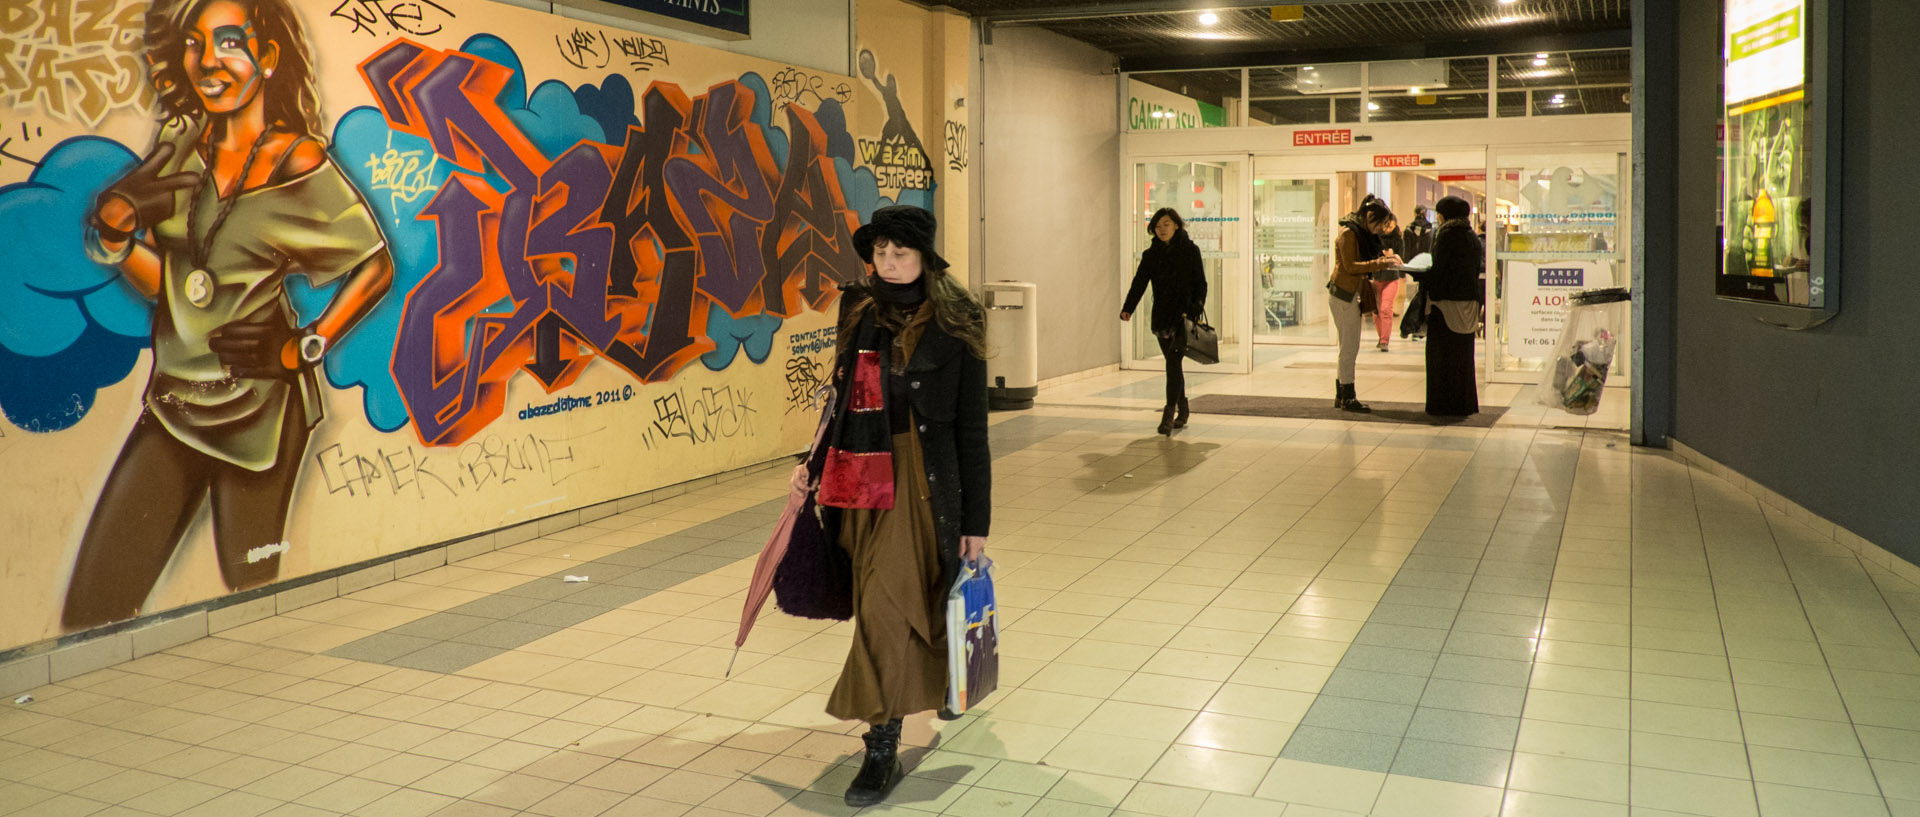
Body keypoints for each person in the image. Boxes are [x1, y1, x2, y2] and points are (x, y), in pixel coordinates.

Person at [64, 0, 392, 629]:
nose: (208, 60)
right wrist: (114, 236)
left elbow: (374, 265)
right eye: (194, 42)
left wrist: (307, 347)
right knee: (94, 603)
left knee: (252, 594)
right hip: (175, 406)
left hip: (262, 416)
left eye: (230, 42)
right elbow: (172, 287)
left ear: (267, 59)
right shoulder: (179, 151)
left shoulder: (299, 166)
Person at [816, 205, 991, 808]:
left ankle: (881, 744)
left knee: (891, 606)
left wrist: (976, 524)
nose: (888, 264)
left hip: (921, 481)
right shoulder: (858, 309)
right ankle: (923, 692)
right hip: (858, 478)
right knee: (878, 601)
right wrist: (808, 468)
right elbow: (838, 401)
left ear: (925, 257)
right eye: (881, 251)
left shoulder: (957, 320)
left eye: (901, 253)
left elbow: (972, 432)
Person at [1120, 207, 1207, 435]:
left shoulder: (1190, 251)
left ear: (1176, 225)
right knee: (1173, 363)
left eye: (1166, 224)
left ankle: (1168, 414)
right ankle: (1184, 408)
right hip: (1161, 317)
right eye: (1157, 226)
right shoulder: (1151, 255)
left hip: (1184, 316)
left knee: (1173, 363)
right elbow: (1139, 283)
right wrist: (1128, 308)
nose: (1162, 230)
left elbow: (1201, 283)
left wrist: (1197, 306)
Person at [1329, 199, 1399, 412]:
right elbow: (1350, 266)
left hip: (1348, 294)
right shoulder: (1349, 234)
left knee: (1348, 346)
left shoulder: (1358, 232)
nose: (1379, 230)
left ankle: (1342, 394)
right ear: (1369, 218)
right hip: (1343, 295)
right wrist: (1380, 263)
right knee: (1349, 347)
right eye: (1378, 225)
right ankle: (1347, 396)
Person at [1416, 196, 1482, 416]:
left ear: (1443, 215)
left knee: (1441, 357)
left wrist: (1422, 275)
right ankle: (1464, 403)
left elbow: (1441, 271)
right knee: (1463, 356)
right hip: (1469, 303)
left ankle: (1443, 405)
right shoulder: (1472, 236)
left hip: (1445, 305)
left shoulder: (1445, 235)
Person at [1372, 216, 1408, 352]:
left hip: (1391, 278)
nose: (1388, 230)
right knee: (1375, 311)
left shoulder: (1398, 240)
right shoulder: (1375, 238)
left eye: (1391, 227)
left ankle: (1384, 341)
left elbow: (1401, 259)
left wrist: (1393, 255)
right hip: (1376, 277)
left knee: (1386, 309)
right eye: (1387, 226)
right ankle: (1381, 336)